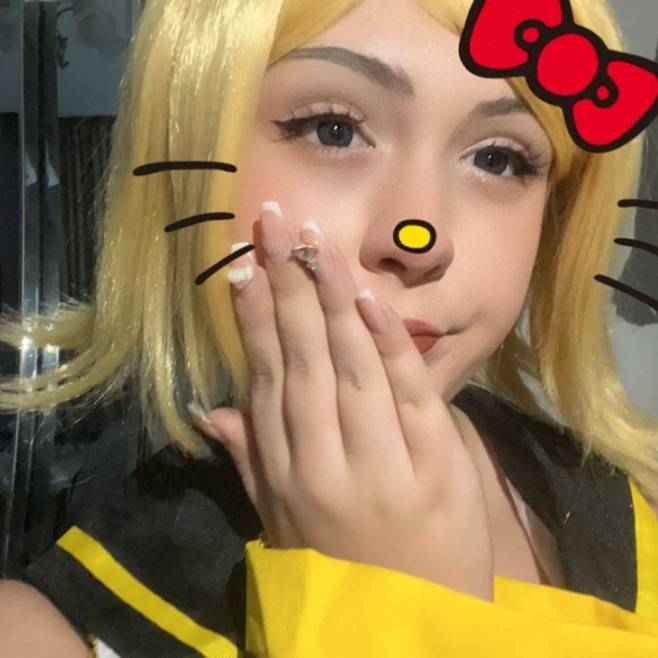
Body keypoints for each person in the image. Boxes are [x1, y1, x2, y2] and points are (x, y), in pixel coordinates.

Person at [1, 0, 657, 655]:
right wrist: (395, 618)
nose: (420, 238)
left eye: (497, 159)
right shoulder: (39, 635)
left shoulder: (636, 499)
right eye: (333, 130)